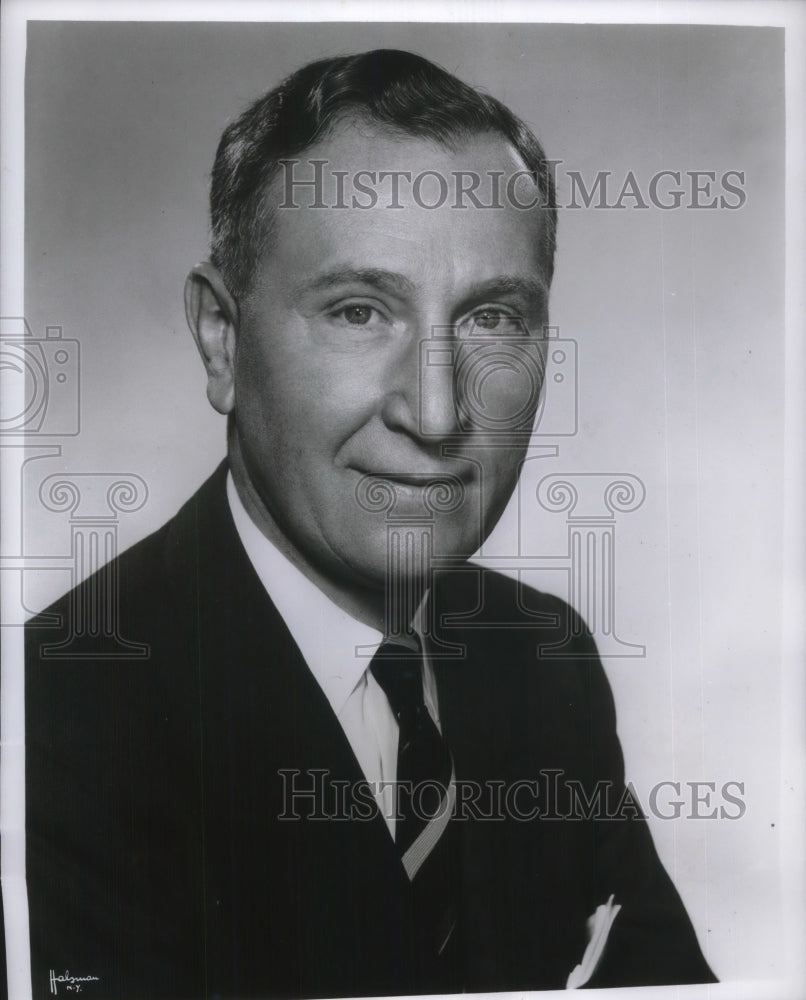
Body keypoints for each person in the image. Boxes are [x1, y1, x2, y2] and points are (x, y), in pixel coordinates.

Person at [25, 49, 716, 998]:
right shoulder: (53, 717)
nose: (436, 416)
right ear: (221, 340)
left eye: (491, 319)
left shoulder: (541, 663)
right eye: (359, 311)